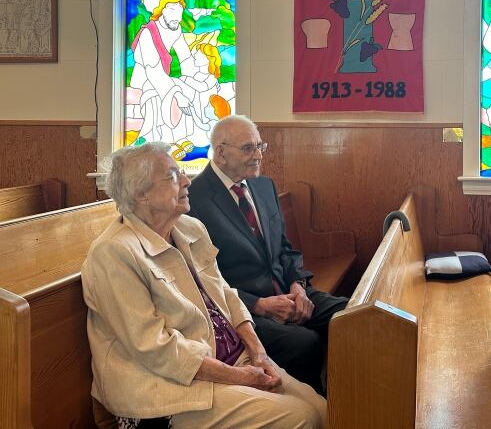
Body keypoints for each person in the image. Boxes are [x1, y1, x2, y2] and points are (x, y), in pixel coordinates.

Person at [82, 143, 326, 429]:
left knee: (322, 410)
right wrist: (240, 377)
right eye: (173, 176)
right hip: (167, 388)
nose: (187, 180)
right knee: (300, 419)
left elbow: (226, 295)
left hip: (230, 360)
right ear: (141, 194)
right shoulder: (114, 253)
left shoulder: (189, 228)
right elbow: (154, 348)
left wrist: (258, 354)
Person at [187, 115, 348, 394]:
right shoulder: (195, 199)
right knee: (304, 343)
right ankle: (314, 411)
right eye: (248, 148)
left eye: (260, 146)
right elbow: (202, 280)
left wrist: (299, 286)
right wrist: (260, 305)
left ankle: (351, 404)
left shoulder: (263, 186)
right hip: (245, 310)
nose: (258, 155)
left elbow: (285, 248)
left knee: (354, 315)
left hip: (288, 291)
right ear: (221, 152)